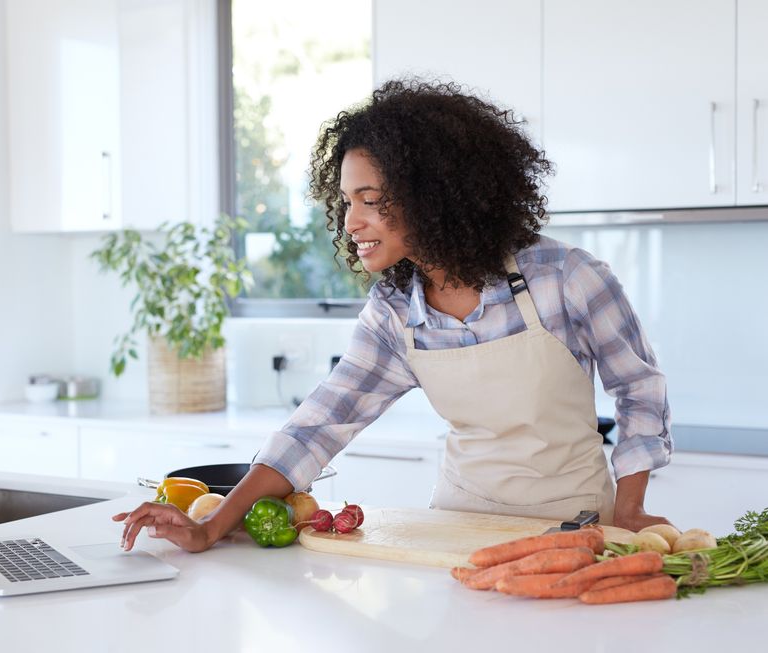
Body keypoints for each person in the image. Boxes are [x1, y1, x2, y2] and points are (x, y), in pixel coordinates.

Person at [114, 79, 673, 552]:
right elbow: (320, 423)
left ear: (432, 194)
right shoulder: (394, 311)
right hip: (458, 522)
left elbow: (639, 389)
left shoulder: (565, 278)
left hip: (576, 525)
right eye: (346, 200)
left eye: (369, 198)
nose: (351, 221)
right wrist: (210, 527)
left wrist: (630, 511)